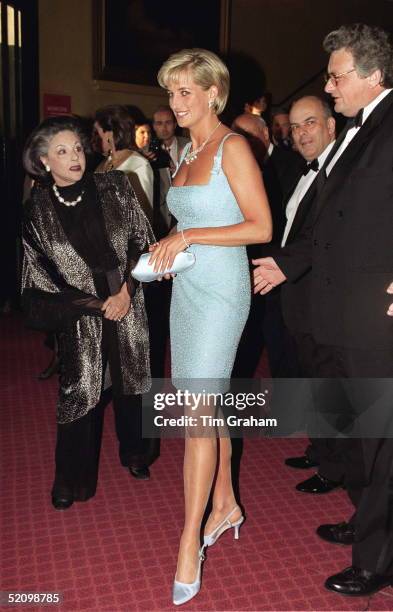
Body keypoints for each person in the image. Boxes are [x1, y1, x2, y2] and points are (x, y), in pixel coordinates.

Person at [254, 24, 393, 597]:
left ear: (372, 74)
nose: (329, 87)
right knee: (363, 434)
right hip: (339, 314)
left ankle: (377, 560)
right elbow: (330, 228)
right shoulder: (356, 136)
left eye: (336, 75)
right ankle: (368, 525)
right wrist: (287, 264)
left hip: (373, 320)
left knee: (381, 439)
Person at [151, 48, 272, 605]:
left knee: (198, 411)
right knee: (207, 401)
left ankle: (189, 541)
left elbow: (259, 226)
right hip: (188, 289)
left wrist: (190, 237)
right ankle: (225, 504)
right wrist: (169, 246)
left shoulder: (232, 146)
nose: (176, 102)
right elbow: (190, 219)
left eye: (185, 92)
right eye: (171, 92)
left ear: (213, 94)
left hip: (223, 293)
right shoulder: (186, 149)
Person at [22, 116, 155, 509]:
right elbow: (39, 278)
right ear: (45, 161)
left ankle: (136, 454)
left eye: (78, 148)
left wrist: (127, 291)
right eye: (62, 152)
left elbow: (141, 239)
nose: (74, 157)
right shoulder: (38, 212)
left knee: (133, 380)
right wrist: (99, 305)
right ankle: (71, 480)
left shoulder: (115, 184)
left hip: (128, 297)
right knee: (80, 392)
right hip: (81, 312)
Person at [94, 105, 154, 224]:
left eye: (97, 133)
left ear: (111, 134)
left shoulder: (138, 165)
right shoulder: (104, 162)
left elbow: (144, 217)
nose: (94, 138)